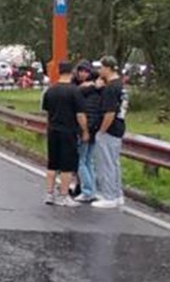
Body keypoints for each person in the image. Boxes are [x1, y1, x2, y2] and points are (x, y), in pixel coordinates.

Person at [41, 61, 89, 206]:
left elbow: (47, 111)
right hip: (68, 132)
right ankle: (63, 195)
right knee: (67, 166)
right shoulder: (75, 91)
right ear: (72, 72)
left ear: (59, 72)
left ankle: (49, 194)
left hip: (53, 130)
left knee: (52, 164)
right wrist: (85, 131)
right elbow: (80, 115)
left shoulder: (50, 91)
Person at [92, 56, 128, 209]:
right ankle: (117, 193)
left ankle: (109, 195)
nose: (99, 71)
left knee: (105, 163)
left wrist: (101, 130)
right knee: (114, 163)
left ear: (108, 68)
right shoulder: (121, 85)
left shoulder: (110, 89)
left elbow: (109, 112)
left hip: (110, 128)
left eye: (101, 67)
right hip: (119, 126)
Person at [72, 60, 104, 203]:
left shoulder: (83, 90)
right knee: (88, 160)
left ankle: (87, 190)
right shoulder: (97, 88)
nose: (83, 74)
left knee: (81, 161)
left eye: (85, 71)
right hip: (94, 127)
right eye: (81, 71)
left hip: (85, 127)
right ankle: (91, 190)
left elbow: (84, 111)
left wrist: (85, 129)